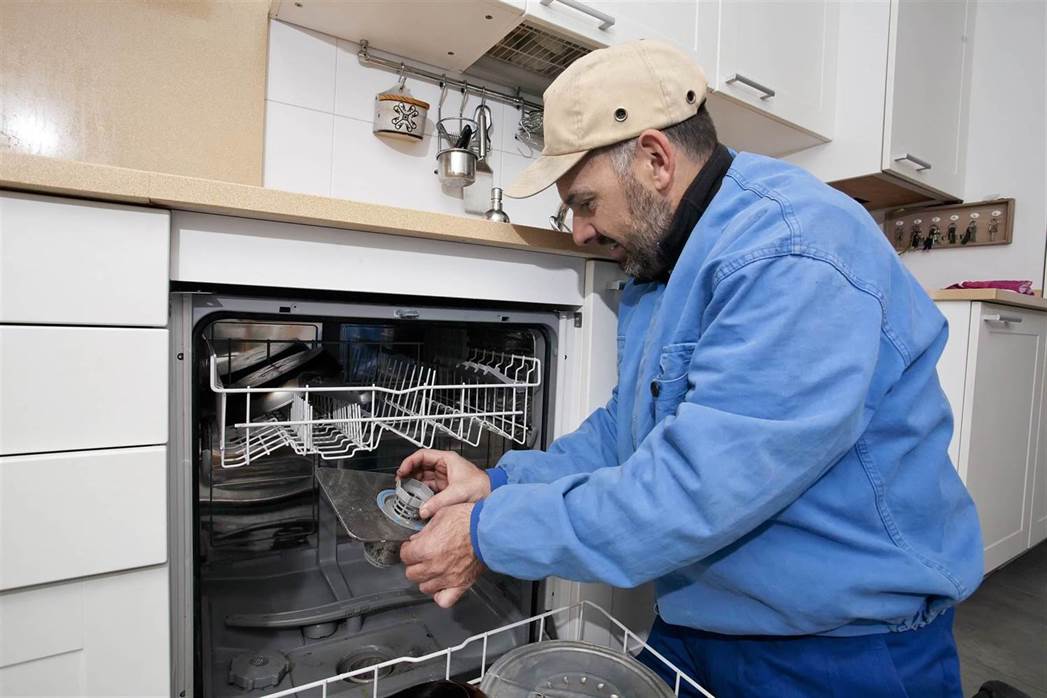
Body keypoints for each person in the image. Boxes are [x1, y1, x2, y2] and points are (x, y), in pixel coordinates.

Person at [397, 39, 983, 697]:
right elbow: (627, 431)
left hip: (839, 645)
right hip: (702, 615)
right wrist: (499, 484)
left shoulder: (792, 254)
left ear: (654, 159)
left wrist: (486, 534)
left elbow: (696, 489)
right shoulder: (669, 258)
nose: (579, 233)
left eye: (584, 203)